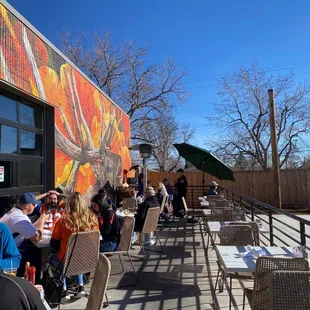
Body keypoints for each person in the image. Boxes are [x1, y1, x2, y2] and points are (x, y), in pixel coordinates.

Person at [49, 192, 99, 303]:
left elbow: (54, 243)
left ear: (69, 204)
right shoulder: (93, 219)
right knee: (76, 256)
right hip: (89, 259)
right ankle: (80, 286)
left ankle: (63, 289)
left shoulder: (63, 221)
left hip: (68, 260)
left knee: (54, 258)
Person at [0, 193, 50, 282]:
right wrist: (42, 220)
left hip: (6, 246)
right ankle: (35, 282)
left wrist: (46, 194)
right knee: (36, 252)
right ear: (27, 206)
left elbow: (29, 228)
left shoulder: (15, 211)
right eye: (34, 204)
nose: (35, 207)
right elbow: (37, 238)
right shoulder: (19, 218)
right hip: (9, 252)